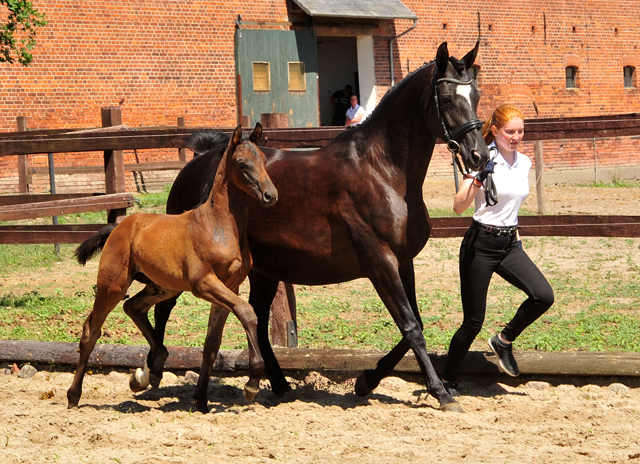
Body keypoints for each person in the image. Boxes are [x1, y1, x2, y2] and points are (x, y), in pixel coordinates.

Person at [442, 104, 554, 396]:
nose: (516, 137)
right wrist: (478, 177)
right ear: (495, 131)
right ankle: (448, 380)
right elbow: (458, 206)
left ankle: (503, 341)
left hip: (508, 244)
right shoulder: (482, 157)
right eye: (510, 132)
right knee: (473, 322)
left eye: (520, 131)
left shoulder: (525, 163)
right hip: (480, 244)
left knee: (543, 295)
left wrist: (515, 235)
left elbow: (511, 205)